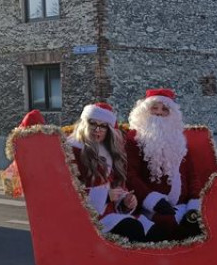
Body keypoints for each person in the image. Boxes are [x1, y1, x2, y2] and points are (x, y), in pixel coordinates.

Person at [67, 102, 156, 242]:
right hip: (89, 218)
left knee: (153, 230)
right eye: (93, 124)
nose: (97, 130)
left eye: (103, 126)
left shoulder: (109, 151)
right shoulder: (73, 150)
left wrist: (125, 201)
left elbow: (116, 186)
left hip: (110, 213)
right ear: (84, 124)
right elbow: (68, 190)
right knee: (134, 228)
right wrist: (105, 196)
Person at [125, 88, 204, 238]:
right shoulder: (133, 139)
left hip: (182, 206)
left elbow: (192, 176)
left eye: (164, 109)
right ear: (144, 112)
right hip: (152, 208)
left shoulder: (178, 140)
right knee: (169, 227)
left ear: (172, 115)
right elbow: (130, 176)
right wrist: (153, 200)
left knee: (200, 225)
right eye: (154, 108)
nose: (159, 113)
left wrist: (193, 205)